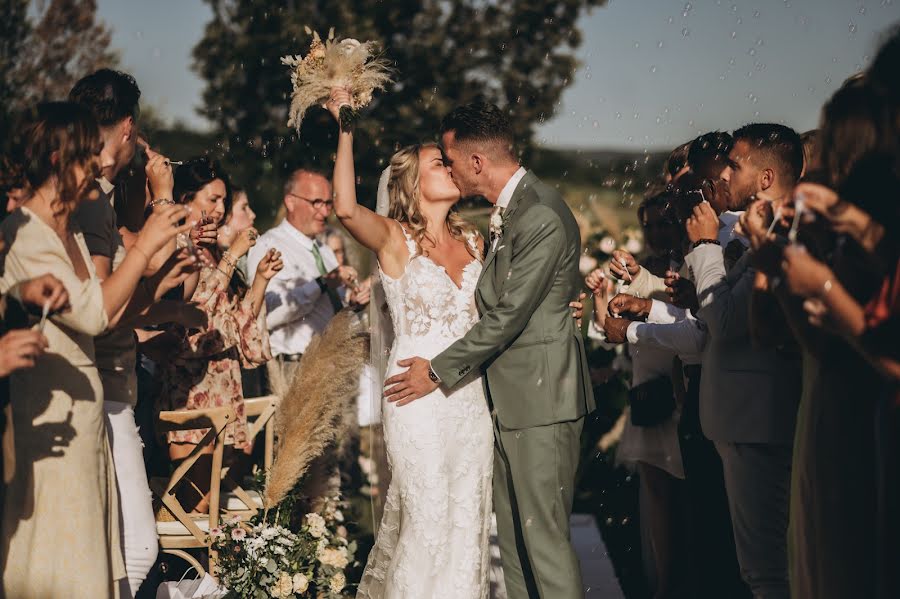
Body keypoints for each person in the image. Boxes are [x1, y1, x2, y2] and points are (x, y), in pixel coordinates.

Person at [384, 101, 594, 599]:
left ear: (476, 163)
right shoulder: (510, 214)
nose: (450, 170)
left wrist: (436, 371)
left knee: (543, 543)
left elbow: (509, 316)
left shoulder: (538, 214)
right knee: (517, 547)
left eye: (450, 160)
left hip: (541, 402)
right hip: (504, 401)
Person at [0, 101, 189, 599]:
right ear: (60, 161)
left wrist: (156, 273)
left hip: (84, 429)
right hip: (48, 433)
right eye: (89, 156)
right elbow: (92, 313)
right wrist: (145, 248)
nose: (102, 165)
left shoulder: (70, 230)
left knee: (97, 571)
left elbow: (115, 314)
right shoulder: (26, 234)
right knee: (62, 574)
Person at [682, 123, 804, 599]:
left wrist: (706, 246)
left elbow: (728, 322)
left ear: (767, 178)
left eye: (735, 165)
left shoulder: (781, 235)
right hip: (745, 421)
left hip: (759, 423)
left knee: (769, 571)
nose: (725, 174)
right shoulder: (764, 233)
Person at [154, 157, 282, 513]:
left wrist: (259, 278)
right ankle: (186, 571)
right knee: (194, 505)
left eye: (224, 200)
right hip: (190, 386)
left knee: (213, 504)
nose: (221, 209)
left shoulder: (212, 254)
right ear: (185, 199)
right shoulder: (175, 246)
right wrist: (233, 257)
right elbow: (195, 312)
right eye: (212, 200)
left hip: (222, 382)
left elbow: (234, 325)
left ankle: (209, 570)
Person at [247, 169, 357, 396]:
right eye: (317, 202)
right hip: (294, 368)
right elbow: (267, 316)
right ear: (290, 201)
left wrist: (355, 300)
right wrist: (322, 284)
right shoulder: (269, 246)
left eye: (328, 203)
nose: (325, 211)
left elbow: (328, 311)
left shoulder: (324, 250)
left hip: (330, 367)